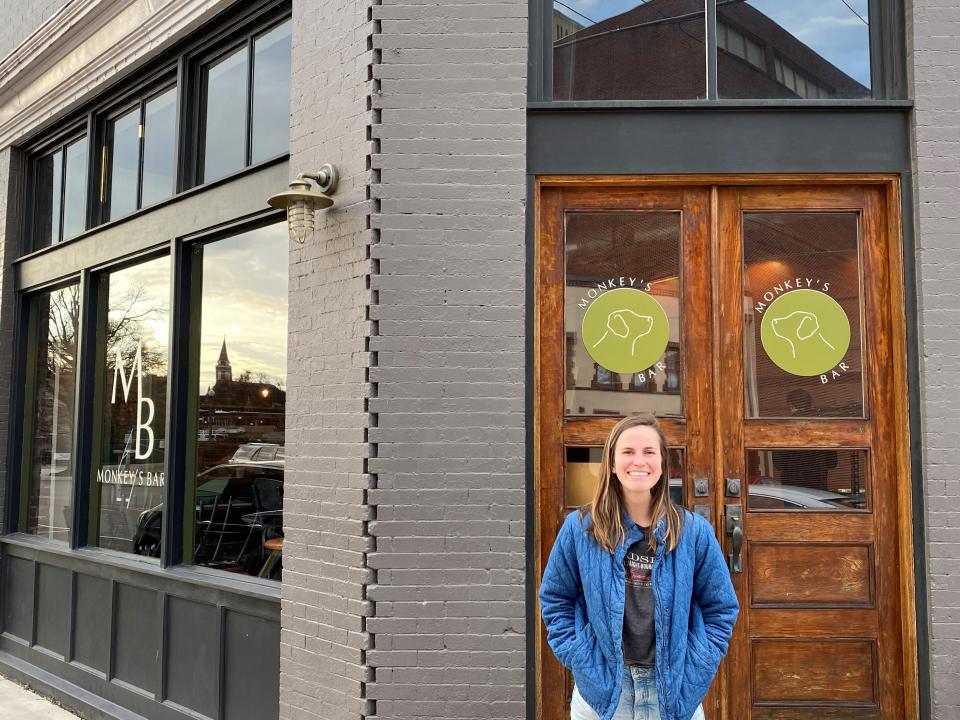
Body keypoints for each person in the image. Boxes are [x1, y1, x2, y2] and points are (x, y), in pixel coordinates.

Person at [539, 415, 738, 720]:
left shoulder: (693, 532)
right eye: (628, 452)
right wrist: (582, 658)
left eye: (649, 452)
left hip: (674, 694)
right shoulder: (581, 529)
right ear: (613, 463)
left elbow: (721, 607)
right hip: (602, 694)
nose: (639, 461)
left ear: (662, 463)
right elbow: (555, 600)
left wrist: (697, 663)